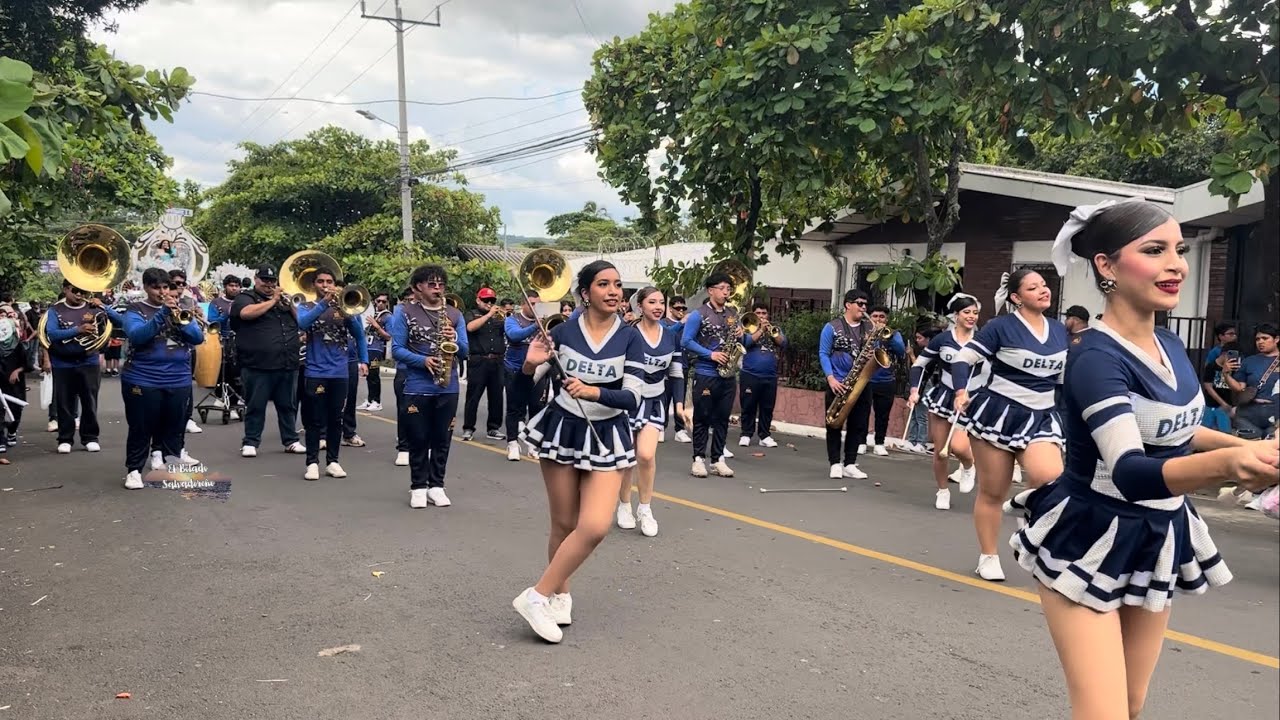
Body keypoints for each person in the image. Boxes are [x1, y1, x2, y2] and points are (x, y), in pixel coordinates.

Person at [1007, 198, 1279, 720]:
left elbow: (1178, 431)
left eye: (1179, 250)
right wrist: (1230, 467)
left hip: (1156, 533)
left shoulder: (1172, 345)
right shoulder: (1094, 357)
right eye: (1154, 250)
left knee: (1130, 705)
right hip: (1089, 535)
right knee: (1103, 712)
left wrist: (1249, 449)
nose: (1176, 263)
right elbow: (1131, 471)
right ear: (1106, 265)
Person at [513, 260, 644, 643]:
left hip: (608, 435)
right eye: (603, 284)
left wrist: (593, 391)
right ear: (585, 292)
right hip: (562, 430)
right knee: (564, 525)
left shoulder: (630, 336)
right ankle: (560, 595)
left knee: (595, 526)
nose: (614, 291)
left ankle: (535, 596)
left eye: (618, 284)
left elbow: (632, 397)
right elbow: (524, 390)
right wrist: (527, 366)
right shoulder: (562, 332)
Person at [950, 269, 1068, 582]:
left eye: (1044, 285)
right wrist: (961, 390)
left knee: (1050, 477)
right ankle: (988, 555)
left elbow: (1065, 381)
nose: (1044, 290)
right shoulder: (999, 327)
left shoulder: (1059, 330)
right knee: (992, 491)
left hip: (1043, 414)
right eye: (1033, 287)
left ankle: (1024, 514)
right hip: (998, 413)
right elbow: (963, 359)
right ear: (1016, 298)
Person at [390, 264, 468, 508]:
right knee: (419, 438)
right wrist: (422, 361)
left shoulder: (454, 314)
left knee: (442, 439)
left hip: (448, 386)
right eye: (431, 284)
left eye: (441, 284)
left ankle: (437, 485)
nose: (438, 288)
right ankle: (418, 486)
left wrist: (454, 338)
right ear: (417, 288)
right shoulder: (403, 312)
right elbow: (396, 350)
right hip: (416, 386)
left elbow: (465, 351)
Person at [120, 268, 205, 489]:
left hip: (178, 378)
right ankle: (134, 471)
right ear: (146, 288)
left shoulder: (182, 309)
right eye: (156, 287)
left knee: (174, 426)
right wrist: (162, 315)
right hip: (143, 378)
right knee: (141, 427)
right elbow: (137, 336)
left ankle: (172, 465)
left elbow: (197, 338)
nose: (162, 291)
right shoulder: (135, 309)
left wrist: (181, 320)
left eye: (165, 287)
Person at [616, 287, 684, 537]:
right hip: (628, 399)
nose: (658, 306)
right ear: (640, 306)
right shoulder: (626, 334)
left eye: (661, 302)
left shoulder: (670, 336)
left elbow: (676, 372)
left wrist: (678, 405)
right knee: (627, 457)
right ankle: (624, 505)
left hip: (655, 400)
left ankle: (645, 508)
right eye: (652, 302)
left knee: (645, 455)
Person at [907, 295, 980, 509]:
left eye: (975, 313)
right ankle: (942, 491)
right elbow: (919, 365)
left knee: (958, 446)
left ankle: (968, 465)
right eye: (967, 312)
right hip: (944, 396)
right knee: (941, 449)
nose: (971, 317)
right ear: (956, 316)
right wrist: (914, 390)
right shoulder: (943, 339)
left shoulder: (983, 339)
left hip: (971, 399)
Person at [296, 269, 369, 481]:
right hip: (315, 371)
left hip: (340, 372)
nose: (326, 285)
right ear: (314, 284)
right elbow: (302, 324)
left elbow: (359, 335)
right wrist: (324, 303)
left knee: (336, 418)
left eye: (329, 281)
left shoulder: (343, 307)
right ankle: (312, 463)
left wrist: (364, 360)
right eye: (321, 281)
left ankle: (333, 461)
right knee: (314, 419)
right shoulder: (307, 306)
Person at [230, 265, 305, 457]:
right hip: (257, 364)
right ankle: (250, 442)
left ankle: (291, 440)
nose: (269, 284)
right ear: (256, 279)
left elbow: (303, 322)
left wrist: (290, 305)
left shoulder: (284, 300)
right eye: (265, 280)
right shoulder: (245, 297)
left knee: (288, 405)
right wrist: (273, 300)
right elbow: (246, 313)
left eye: (272, 281)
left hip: (287, 362)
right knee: (256, 405)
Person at [681, 273, 749, 478]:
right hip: (706, 372)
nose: (726, 292)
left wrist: (741, 334)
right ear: (710, 290)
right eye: (721, 288)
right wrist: (710, 354)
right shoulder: (698, 314)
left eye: (728, 288)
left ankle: (718, 458)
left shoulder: (732, 313)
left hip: (727, 375)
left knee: (722, 418)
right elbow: (686, 341)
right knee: (702, 417)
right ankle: (698, 459)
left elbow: (742, 342)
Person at [44, 281, 109, 454]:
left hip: (89, 360)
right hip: (62, 361)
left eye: (83, 291)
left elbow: (106, 330)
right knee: (64, 401)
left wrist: (103, 307)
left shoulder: (93, 308)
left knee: (90, 400)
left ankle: (90, 437)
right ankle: (65, 438)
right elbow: (52, 333)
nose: (79, 294)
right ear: (65, 289)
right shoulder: (54, 310)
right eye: (75, 290)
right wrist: (78, 330)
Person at [818, 289, 876, 481]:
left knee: (858, 425)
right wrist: (831, 378)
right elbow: (823, 353)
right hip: (838, 383)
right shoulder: (831, 327)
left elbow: (875, 354)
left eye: (865, 304)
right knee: (834, 423)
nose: (864, 307)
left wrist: (871, 357)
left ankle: (850, 463)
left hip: (861, 383)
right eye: (860, 303)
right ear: (847, 304)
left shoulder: (869, 328)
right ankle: (835, 463)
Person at [504, 289, 546, 461]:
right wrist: (536, 325)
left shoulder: (546, 320)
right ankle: (512, 442)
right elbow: (514, 336)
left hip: (538, 370)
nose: (536, 307)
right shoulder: (512, 319)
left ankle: (533, 444)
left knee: (537, 407)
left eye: (538, 303)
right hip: (515, 369)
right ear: (523, 304)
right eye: (532, 304)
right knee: (514, 408)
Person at [859, 305, 906, 456]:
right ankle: (860, 442)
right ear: (870, 318)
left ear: (886, 319)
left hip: (886, 380)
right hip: (866, 379)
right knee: (862, 412)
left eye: (882, 317)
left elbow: (901, 351)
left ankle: (879, 442)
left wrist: (889, 337)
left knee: (883, 414)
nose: (878, 319)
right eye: (875, 316)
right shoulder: (862, 331)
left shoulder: (893, 334)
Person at [737, 301, 785, 449]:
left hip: (769, 375)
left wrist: (771, 331)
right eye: (758, 313)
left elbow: (783, 343)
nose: (762, 316)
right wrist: (760, 330)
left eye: (764, 313)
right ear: (753, 314)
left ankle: (764, 435)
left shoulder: (773, 328)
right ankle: (746, 433)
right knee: (748, 405)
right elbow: (745, 343)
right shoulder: (746, 328)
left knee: (767, 407)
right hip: (750, 373)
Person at [462, 286, 507, 442]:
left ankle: (493, 428)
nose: (489, 303)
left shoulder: (499, 317)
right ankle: (468, 428)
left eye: (492, 301)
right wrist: (489, 314)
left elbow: (510, 333)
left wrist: (507, 318)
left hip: (497, 361)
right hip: (478, 360)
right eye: (486, 300)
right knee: (473, 396)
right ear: (478, 300)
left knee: (496, 397)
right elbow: (470, 327)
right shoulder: (471, 314)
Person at [1226, 322, 1279, 439]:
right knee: (1249, 449)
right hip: (1249, 412)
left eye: (1265, 338)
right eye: (1257, 339)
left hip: (1275, 412)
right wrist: (1226, 374)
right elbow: (1239, 387)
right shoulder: (1249, 361)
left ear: (1276, 339)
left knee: (1271, 452)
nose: (1260, 342)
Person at [0, 304, 36, 463]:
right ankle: (0, 438)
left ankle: (12, 430)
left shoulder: (18, 344)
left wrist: (18, 370)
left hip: (15, 383)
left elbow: (28, 364)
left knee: (15, 408)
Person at [904, 327, 940, 454]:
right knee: (913, 413)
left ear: (928, 339)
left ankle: (921, 442)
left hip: (926, 383)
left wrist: (912, 355)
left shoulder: (932, 353)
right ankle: (912, 440)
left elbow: (920, 367)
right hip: (917, 384)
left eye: (920, 338)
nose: (917, 340)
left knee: (921, 415)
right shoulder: (922, 350)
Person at [390, 286, 415, 467]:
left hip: (428, 371)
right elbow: (397, 348)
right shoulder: (400, 314)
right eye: (409, 299)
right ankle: (404, 448)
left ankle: (424, 446)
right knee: (404, 409)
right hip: (406, 369)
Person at [663, 295, 690, 443]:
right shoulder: (664, 323)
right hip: (667, 366)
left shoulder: (687, 324)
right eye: (678, 308)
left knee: (680, 399)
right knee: (665, 398)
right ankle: (661, 427)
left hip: (683, 364)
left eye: (683, 308)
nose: (681, 311)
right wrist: (681, 323)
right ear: (671, 309)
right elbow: (668, 334)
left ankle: (680, 430)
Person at [358, 292, 392, 412]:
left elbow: (388, 336)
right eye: (378, 301)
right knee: (368, 375)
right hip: (367, 347)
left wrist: (376, 326)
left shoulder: (388, 316)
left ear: (387, 303)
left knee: (374, 375)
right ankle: (369, 400)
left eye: (383, 301)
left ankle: (377, 401)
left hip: (377, 349)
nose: (380, 303)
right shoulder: (372, 314)